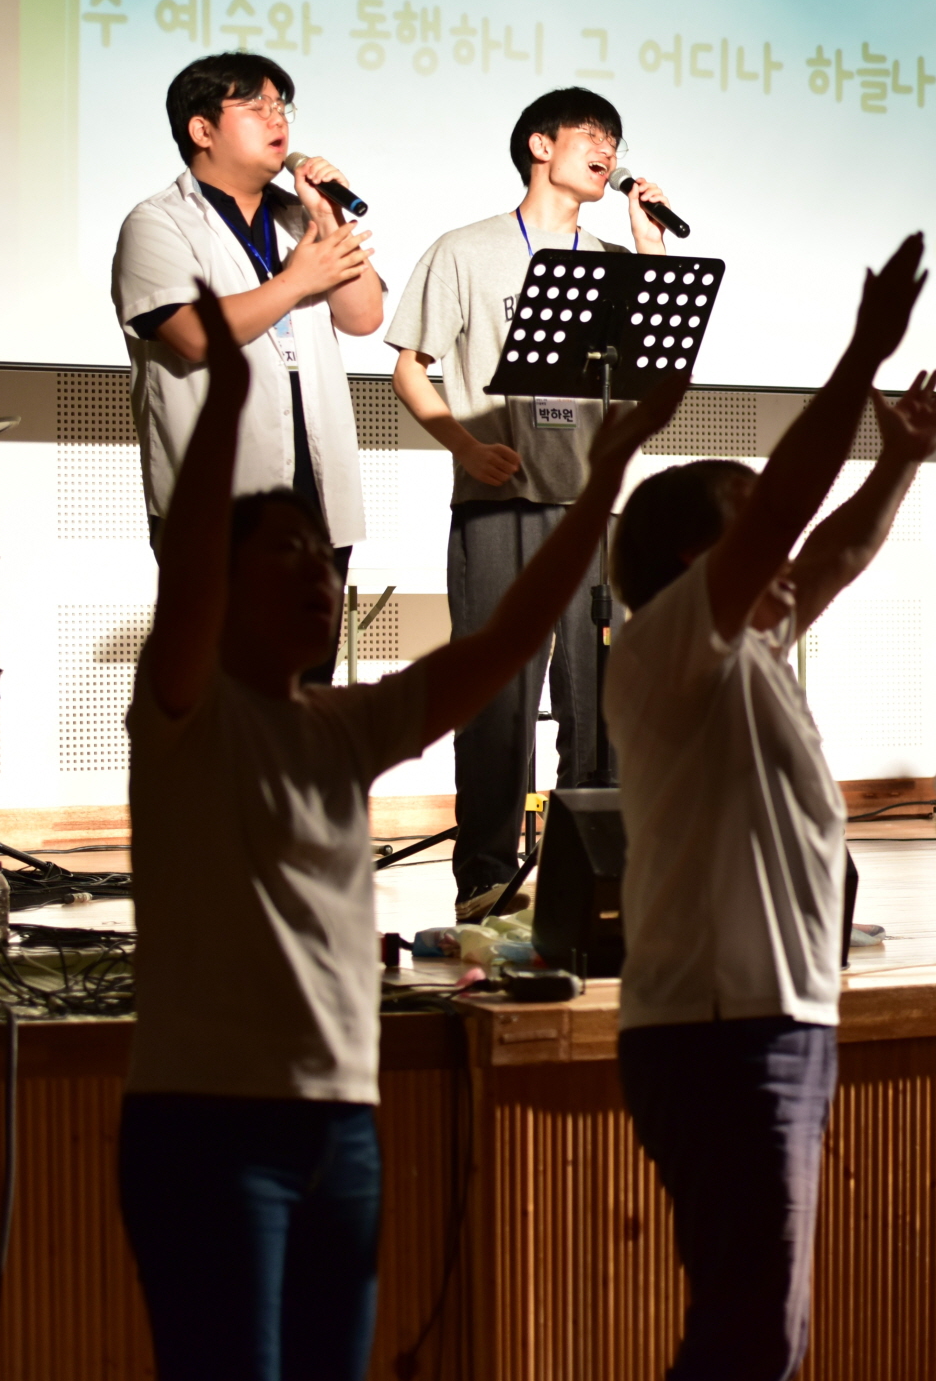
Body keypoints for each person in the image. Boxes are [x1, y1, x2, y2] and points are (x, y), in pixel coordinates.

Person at [119, 280, 682, 1381]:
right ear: (219, 587)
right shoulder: (183, 711)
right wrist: (226, 400)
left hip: (342, 1125)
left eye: (320, 554)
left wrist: (604, 479)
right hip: (208, 1125)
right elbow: (187, 565)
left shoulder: (343, 724)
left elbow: (509, 636)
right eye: (283, 550)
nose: (316, 573)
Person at [603, 235, 936, 1381]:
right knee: (753, 1335)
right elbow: (797, 509)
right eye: (752, 522)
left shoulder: (748, 645)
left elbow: (837, 545)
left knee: (763, 1330)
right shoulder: (672, 643)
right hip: (723, 1028)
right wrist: (861, 356)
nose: (783, 541)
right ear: (697, 555)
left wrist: (897, 462)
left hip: (769, 1017)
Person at [387, 87, 676, 920]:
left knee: (599, 699)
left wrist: (649, 250)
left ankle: (589, 875)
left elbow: (657, 377)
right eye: (591, 134)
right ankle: (485, 875)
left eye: (615, 139)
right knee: (496, 696)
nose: (608, 150)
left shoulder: (616, 261)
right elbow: (409, 366)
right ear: (539, 145)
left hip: (594, 507)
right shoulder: (465, 250)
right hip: (500, 497)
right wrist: (463, 445)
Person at [111, 53, 384, 685]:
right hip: (220, 502)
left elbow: (364, 315)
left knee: (306, 688)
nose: (276, 119)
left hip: (313, 493)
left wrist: (327, 218)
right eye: (256, 105)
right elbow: (192, 335)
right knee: (227, 691)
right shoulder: (157, 222)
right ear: (201, 129)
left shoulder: (299, 217)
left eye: (281, 106)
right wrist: (296, 281)